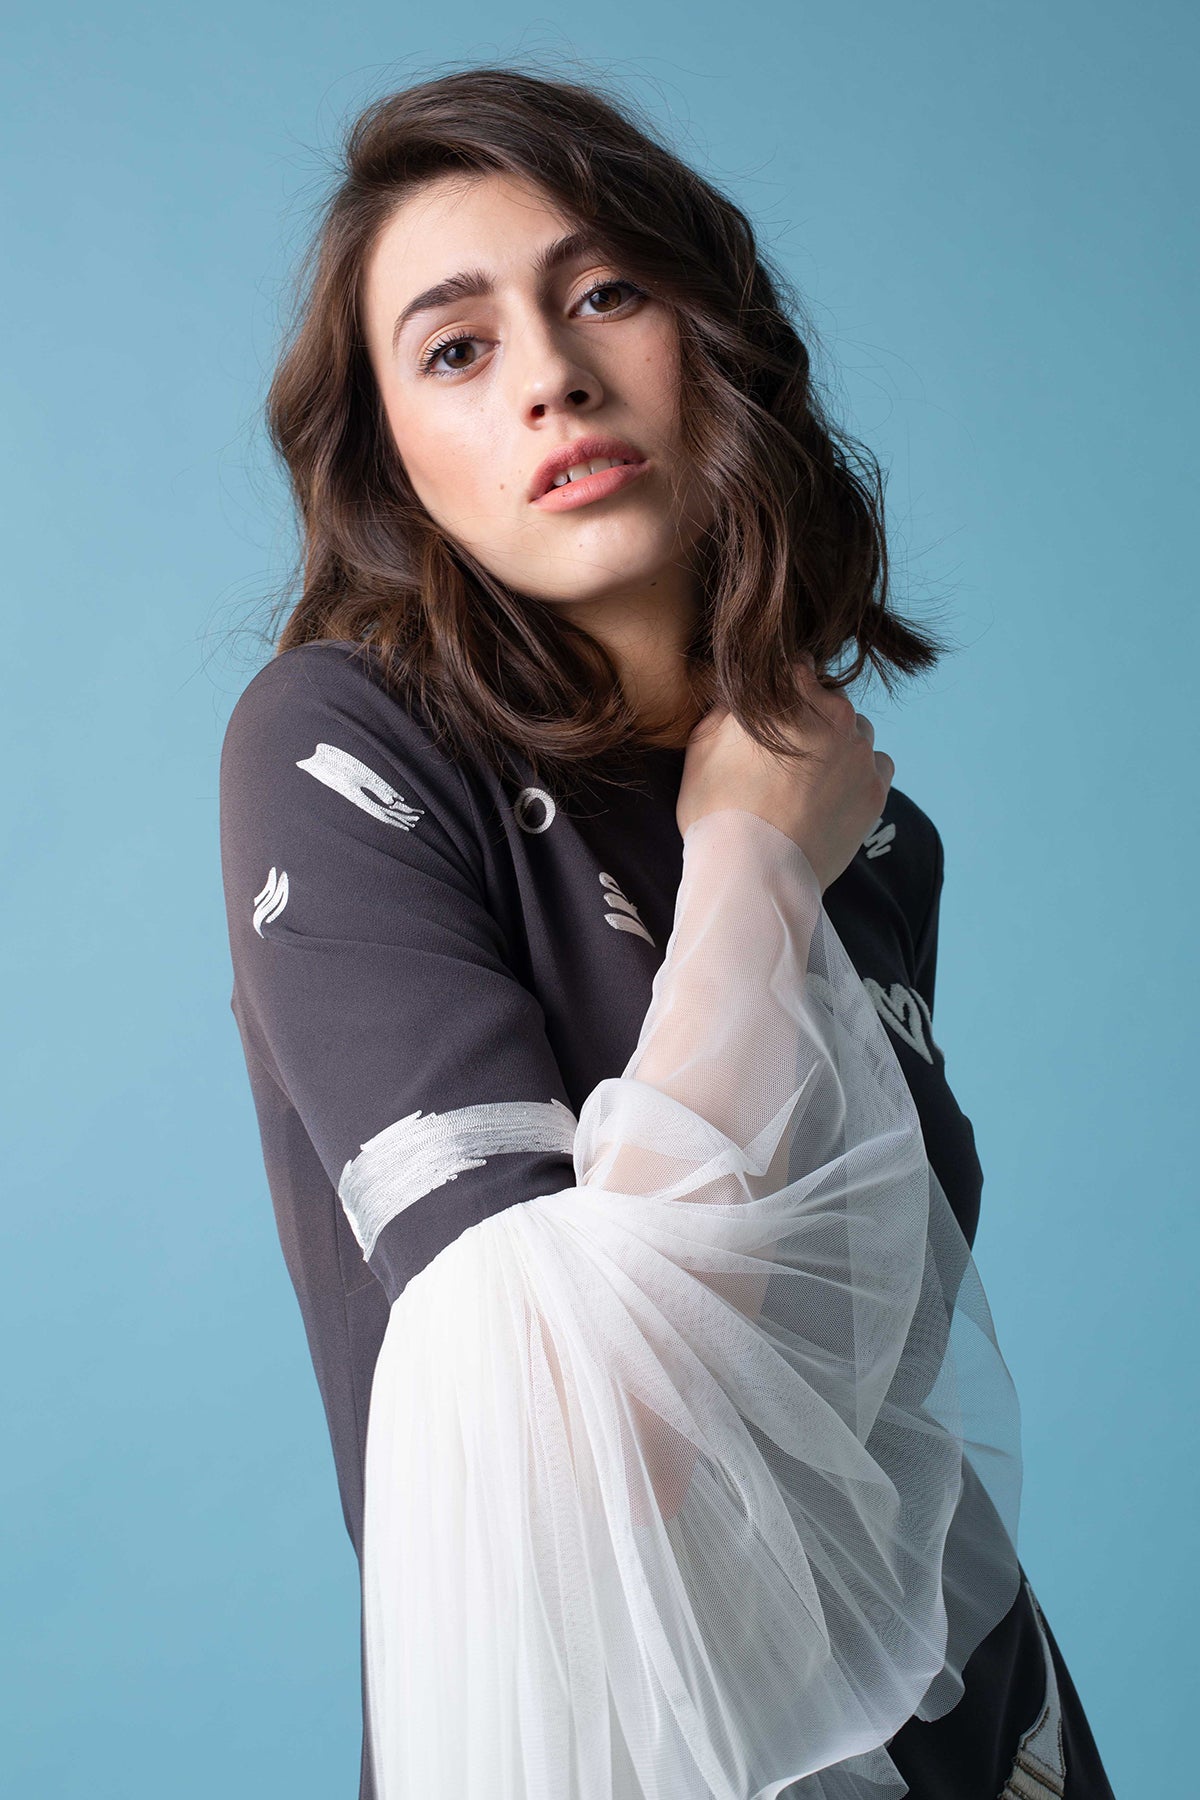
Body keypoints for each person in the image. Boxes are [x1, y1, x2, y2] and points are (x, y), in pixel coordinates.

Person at [218, 65, 1115, 1800]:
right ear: (393, 459)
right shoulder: (340, 747)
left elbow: (877, 1402)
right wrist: (749, 862)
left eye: (607, 292)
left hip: (996, 1738)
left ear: (716, 343)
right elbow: (589, 1453)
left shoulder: (872, 837)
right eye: (456, 348)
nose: (551, 374)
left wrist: (783, 834)